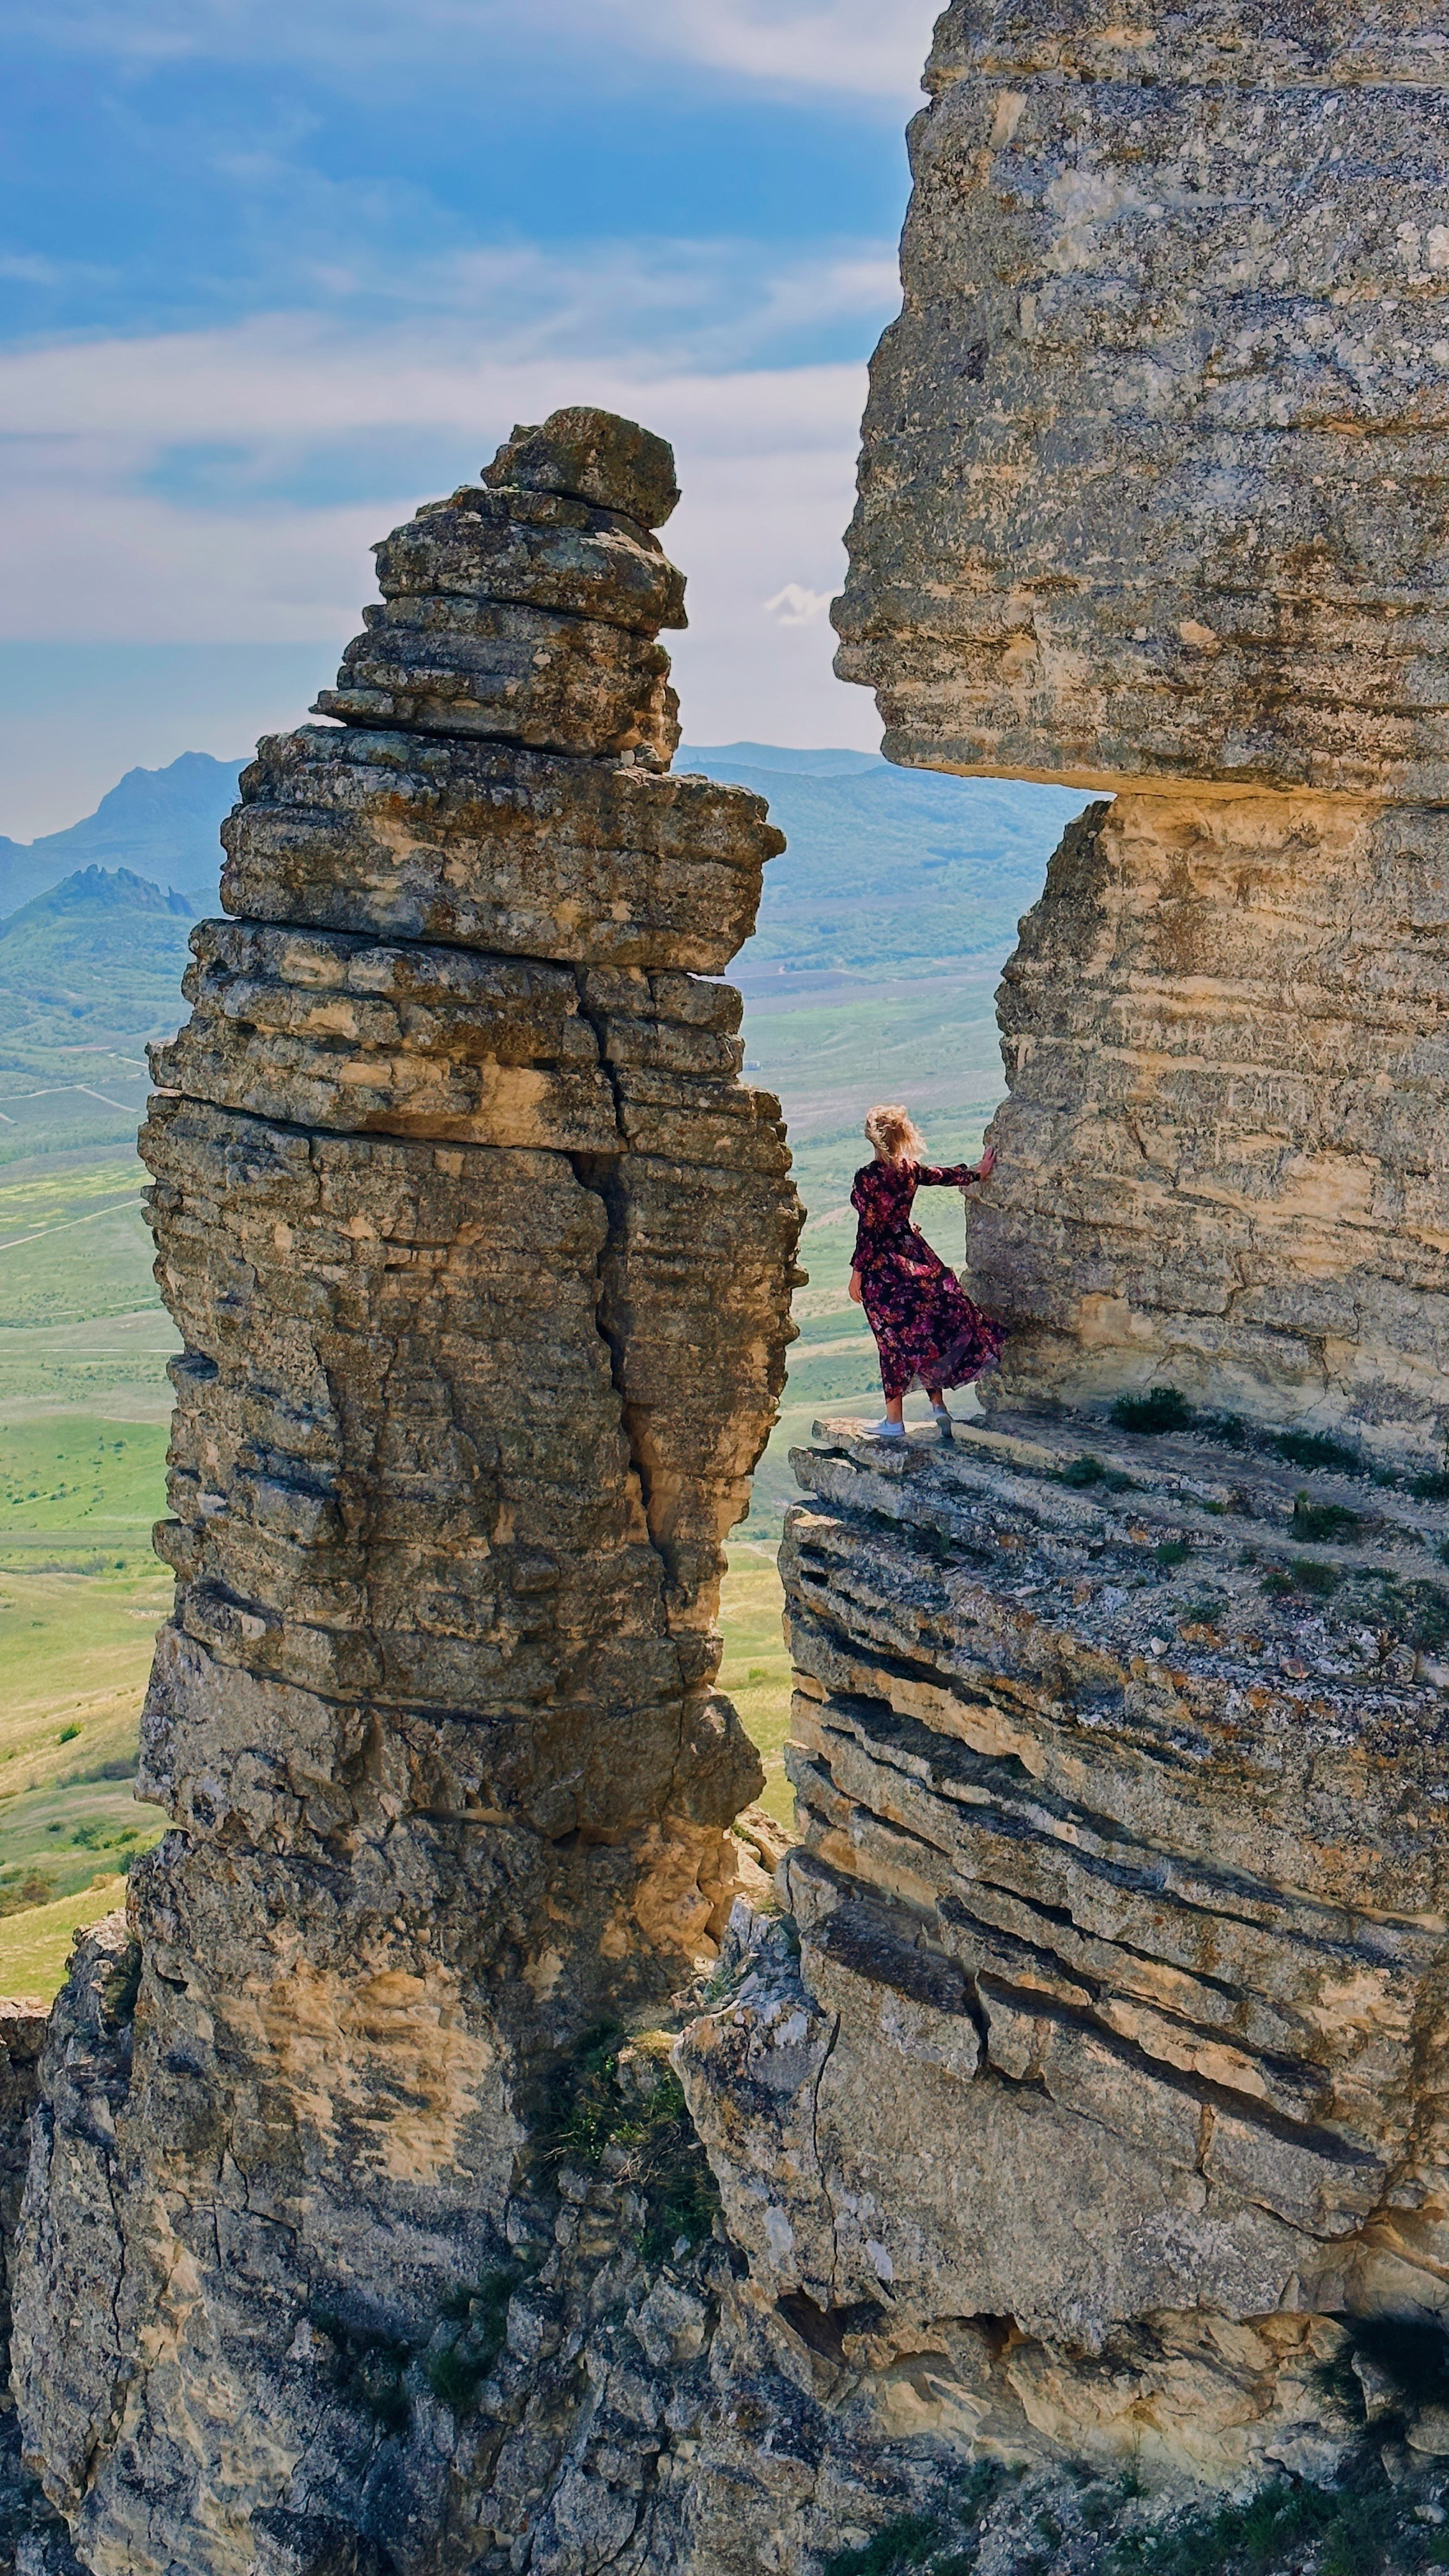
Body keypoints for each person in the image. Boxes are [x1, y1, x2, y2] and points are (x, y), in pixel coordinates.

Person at [848, 1103, 1005, 1441]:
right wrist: (978, 1172)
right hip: (916, 1258)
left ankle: (894, 1422)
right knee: (924, 1334)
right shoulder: (909, 1170)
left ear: (873, 1139)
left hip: (883, 1271)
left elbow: (869, 1230)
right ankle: (938, 1408)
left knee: (890, 1342)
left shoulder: (868, 1178)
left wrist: (857, 1273)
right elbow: (944, 1176)